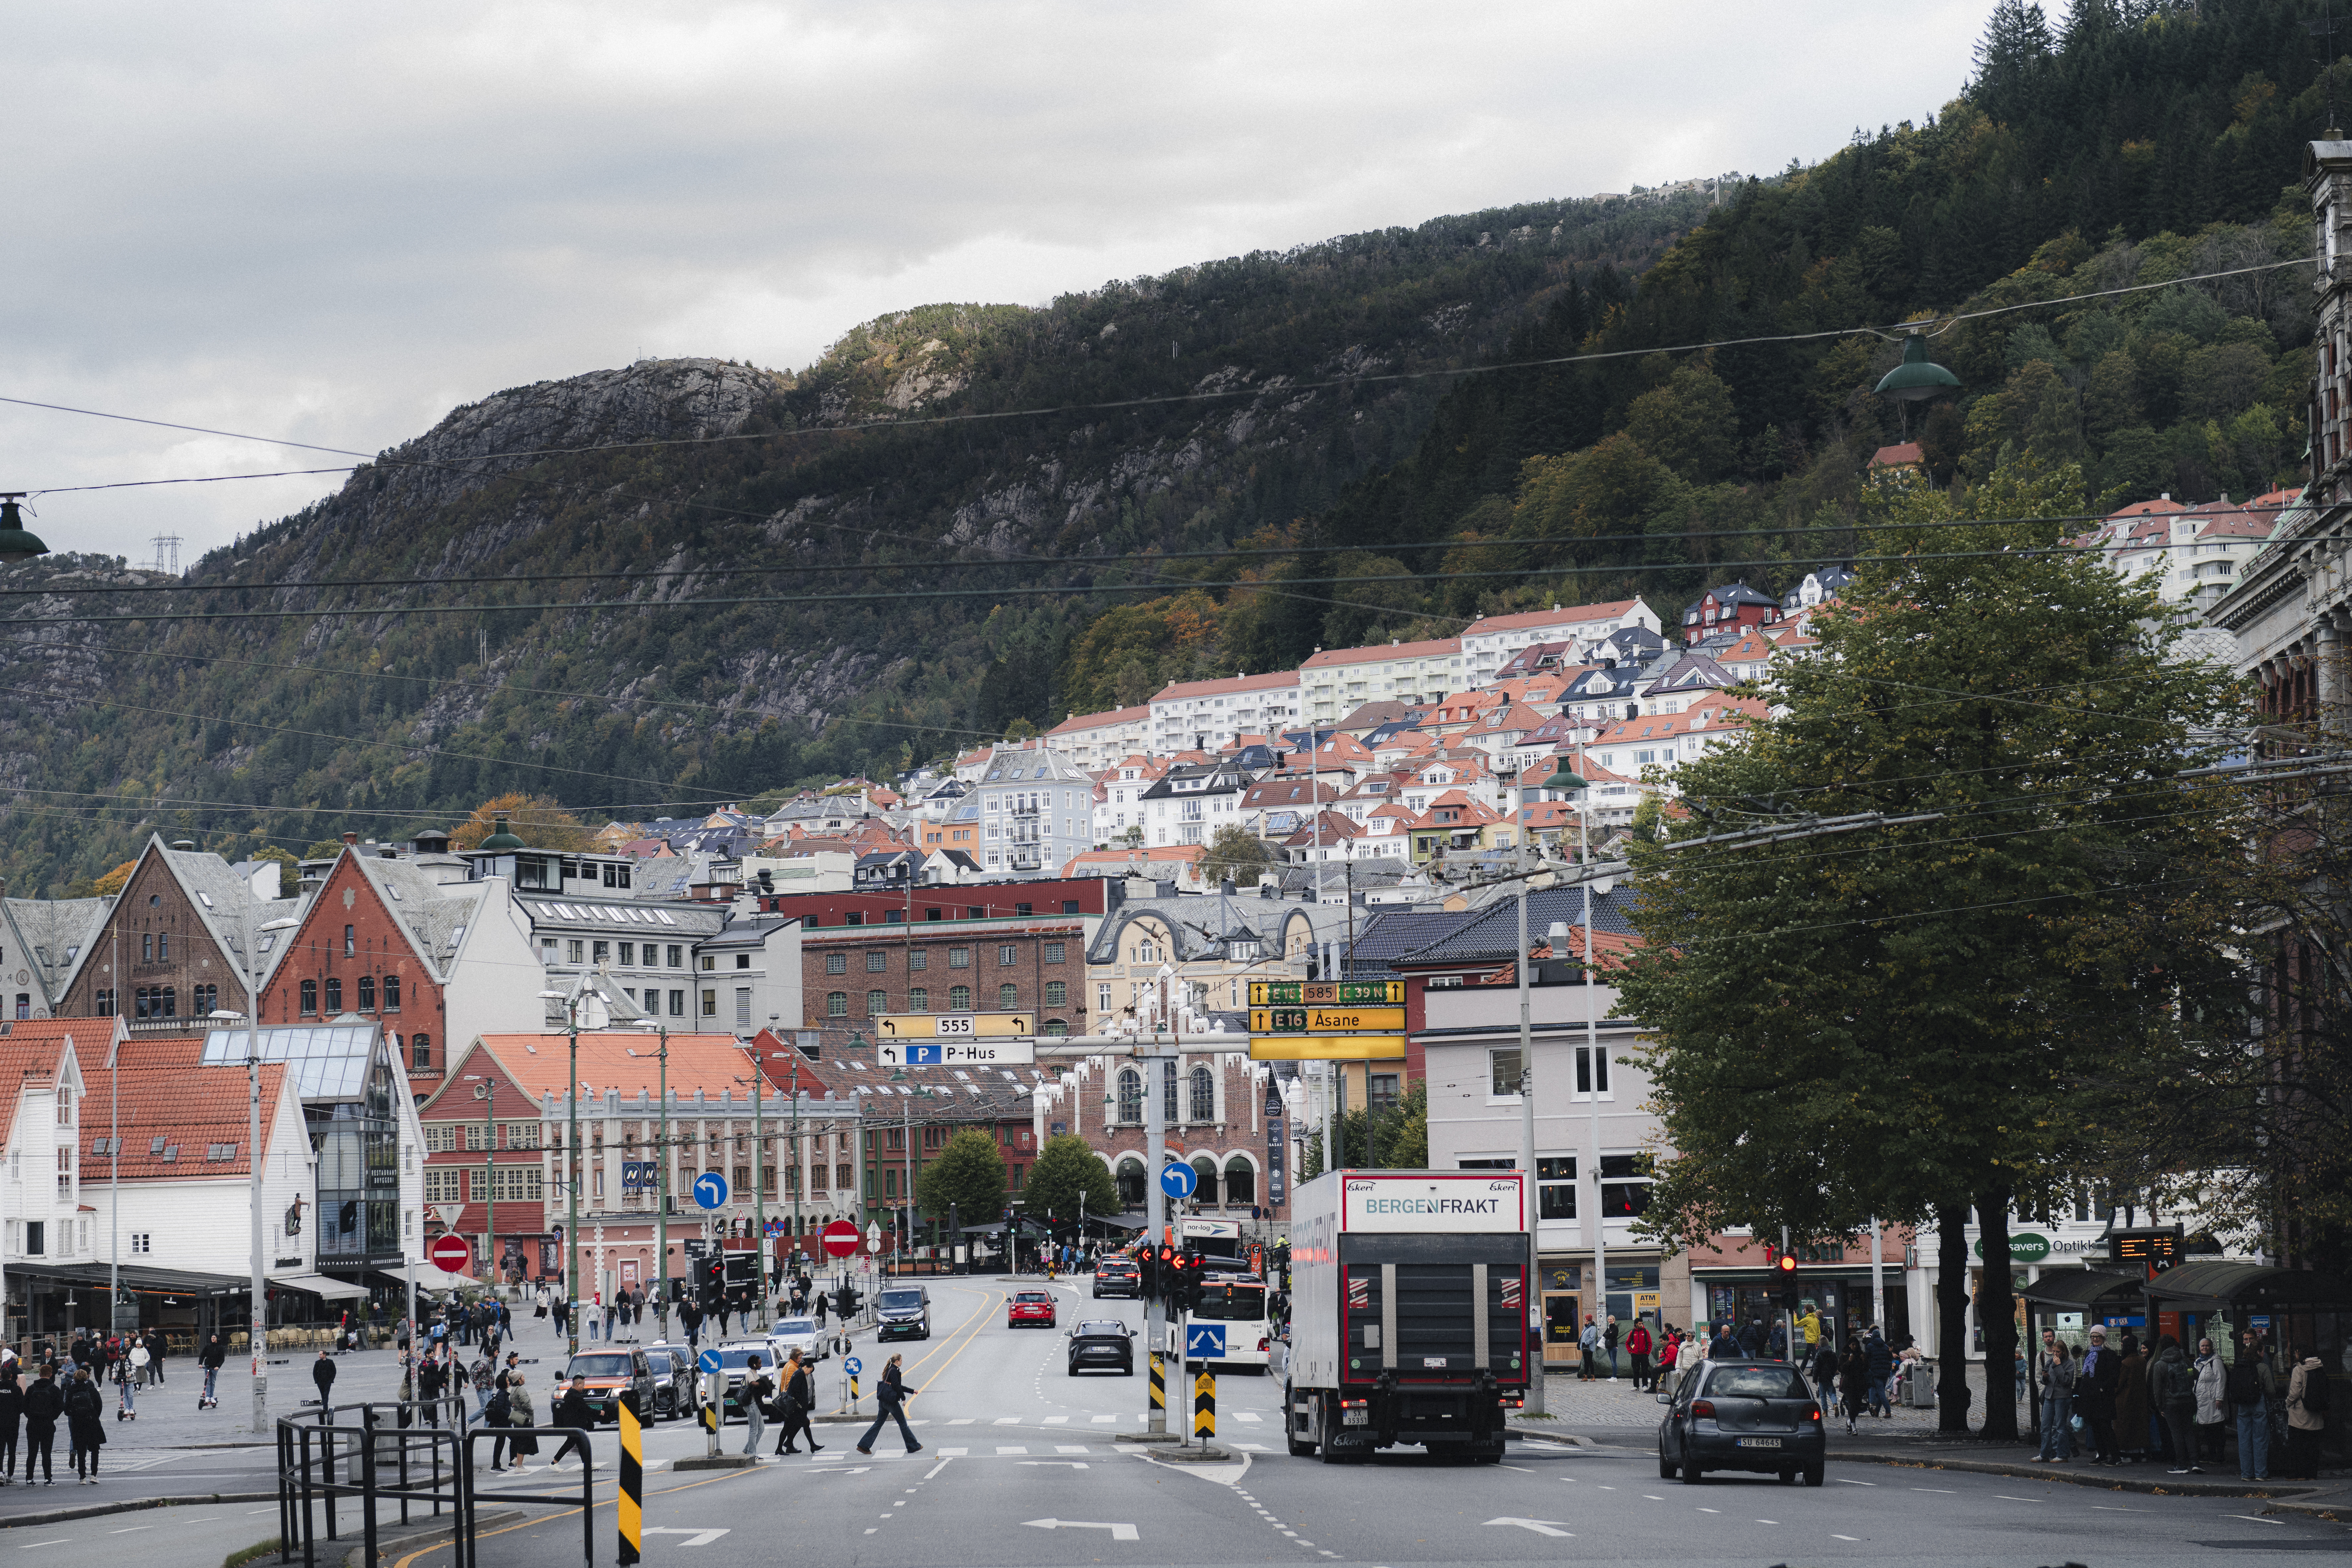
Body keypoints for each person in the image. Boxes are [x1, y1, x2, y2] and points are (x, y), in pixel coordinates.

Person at [855, 1354, 922, 1456]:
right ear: (897, 1361)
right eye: (901, 1360)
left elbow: (896, 1385)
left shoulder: (890, 1369)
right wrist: (903, 1398)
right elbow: (896, 1386)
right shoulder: (894, 1371)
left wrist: (911, 1391)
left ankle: (864, 1446)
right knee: (903, 1424)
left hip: (883, 1401)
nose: (902, 1362)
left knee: (878, 1424)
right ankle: (913, 1446)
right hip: (891, 1402)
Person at [2228, 1329, 2272, 1480]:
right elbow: (2271, 1390)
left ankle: (2246, 1474)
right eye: (2263, 1352)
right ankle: (2261, 1473)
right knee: (2260, 1439)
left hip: (2242, 1406)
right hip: (2258, 1404)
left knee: (2244, 1440)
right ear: (2259, 1352)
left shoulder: (2240, 1365)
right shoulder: (2262, 1368)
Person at [2153, 1334, 2200, 1474]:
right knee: (2189, 1433)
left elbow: (2157, 1390)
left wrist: (2160, 1407)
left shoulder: (2160, 1365)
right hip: (2188, 1401)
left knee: (2177, 1434)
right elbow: (2195, 1375)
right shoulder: (2185, 1360)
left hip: (2170, 1403)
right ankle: (2195, 1463)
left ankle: (2181, 1465)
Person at [2282, 1346, 2327, 1481]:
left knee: (2298, 1447)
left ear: (2299, 1353)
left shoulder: (2299, 1369)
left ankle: (2298, 1475)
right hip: (2315, 1414)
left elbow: (2295, 1392)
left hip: (2300, 1414)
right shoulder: (2319, 1368)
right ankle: (2312, 1475)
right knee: (2313, 1447)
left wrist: (2288, 1403)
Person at [2078, 1326, 2120, 1464]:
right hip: (2090, 1397)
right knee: (2095, 1427)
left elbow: (2114, 1376)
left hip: (2103, 1398)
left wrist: (2102, 1388)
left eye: (2098, 1337)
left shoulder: (2110, 1354)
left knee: (2106, 1428)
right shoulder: (2088, 1353)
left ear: (2104, 1338)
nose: (2095, 1339)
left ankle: (2116, 1457)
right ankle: (2102, 1455)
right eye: (2093, 1337)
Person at [2034, 1331, 2075, 1461]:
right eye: (2054, 1352)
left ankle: (2063, 1455)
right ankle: (2045, 1454)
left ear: (2064, 1352)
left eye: (2058, 1352)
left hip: (2062, 1397)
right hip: (2049, 1396)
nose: (2056, 1354)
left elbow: (2066, 1381)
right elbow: (2044, 1377)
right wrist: (2044, 1378)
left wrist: (2058, 1367)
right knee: (2045, 1426)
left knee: (2060, 1427)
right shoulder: (2051, 1361)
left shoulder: (2069, 1364)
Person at [774, 1350, 822, 1456]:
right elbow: (794, 1390)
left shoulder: (798, 1372)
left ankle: (790, 1445)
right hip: (794, 1407)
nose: (810, 1373)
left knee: (801, 1424)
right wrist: (800, 1405)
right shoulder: (798, 1373)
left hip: (794, 1407)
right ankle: (784, 1447)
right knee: (792, 1426)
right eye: (810, 1371)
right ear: (806, 1368)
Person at [63, 1367, 104, 1485]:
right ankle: (94, 1475)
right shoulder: (91, 1389)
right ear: (86, 1377)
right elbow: (99, 1405)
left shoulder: (71, 1391)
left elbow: (66, 1409)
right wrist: (95, 1416)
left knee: (81, 1451)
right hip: (92, 1422)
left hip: (78, 1424)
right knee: (95, 1450)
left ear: (75, 1378)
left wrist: (75, 1416)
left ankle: (82, 1477)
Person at [2113, 1332, 2149, 1463]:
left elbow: (2120, 1384)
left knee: (2124, 1427)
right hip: (2140, 1398)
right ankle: (2141, 1454)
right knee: (2139, 1427)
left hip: (2126, 1399)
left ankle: (2126, 1454)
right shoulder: (2142, 1361)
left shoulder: (2125, 1363)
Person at [21, 1365, 59, 1487]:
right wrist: (52, 1417)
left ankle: (29, 1479)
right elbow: (60, 1407)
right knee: (46, 1453)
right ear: (51, 1375)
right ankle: (48, 1479)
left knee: (32, 1453)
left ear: (39, 1374)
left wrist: (31, 1416)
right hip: (48, 1425)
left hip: (32, 1424)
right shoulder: (54, 1389)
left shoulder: (31, 1389)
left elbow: (24, 1406)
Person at [2192, 1336, 2227, 1465]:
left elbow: (2221, 1379)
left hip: (2214, 1401)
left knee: (2217, 1428)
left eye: (2207, 1346)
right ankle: (2212, 1455)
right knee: (2207, 1430)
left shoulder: (2216, 1361)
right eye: (2203, 1346)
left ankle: (2219, 1456)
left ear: (2212, 1347)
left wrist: (2219, 1398)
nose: (2205, 1348)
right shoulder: (2197, 1362)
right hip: (2202, 1401)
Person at [549, 1375, 594, 1470]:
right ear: (578, 1384)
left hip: (573, 1423)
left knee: (581, 1444)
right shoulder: (576, 1397)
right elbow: (585, 1409)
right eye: (583, 1385)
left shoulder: (570, 1394)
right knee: (570, 1443)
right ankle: (554, 1463)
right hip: (575, 1424)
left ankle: (587, 1464)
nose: (584, 1387)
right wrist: (599, 1413)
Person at [738, 1354, 772, 1458]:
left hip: (755, 1404)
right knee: (754, 1429)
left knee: (761, 1428)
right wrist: (765, 1381)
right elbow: (754, 1384)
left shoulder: (755, 1374)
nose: (761, 1365)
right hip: (751, 1404)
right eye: (759, 1363)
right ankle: (752, 1454)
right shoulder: (750, 1374)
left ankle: (747, 1450)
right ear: (754, 1364)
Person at [506, 1373, 541, 1471]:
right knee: (524, 1441)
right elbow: (526, 1404)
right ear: (519, 1380)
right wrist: (531, 1411)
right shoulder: (521, 1390)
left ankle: (517, 1460)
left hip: (518, 1419)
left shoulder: (513, 1390)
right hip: (525, 1419)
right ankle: (519, 1467)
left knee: (522, 1441)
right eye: (523, 1377)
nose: (524, 1379)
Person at [1838, 1337, 1871, 1435]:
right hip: (1848, 1384)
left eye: (1856, 1345)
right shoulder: (1844, 1355)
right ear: (1849, 1345)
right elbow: (1841, 1369)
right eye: (1853, 1345)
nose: (1855, 1347)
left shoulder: (1861, 1355)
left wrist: (1865, 1361)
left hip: (1860, 1384)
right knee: (1852, 1404)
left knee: (1857, 1406)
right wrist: (1849, 1361)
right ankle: (1855, 1428)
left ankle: (1849, 1422)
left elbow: (1866, 1369)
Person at [484, 1379, 515, 1471]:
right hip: (503, 1423)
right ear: (502, 1383)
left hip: (503, 1423)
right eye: (506, 1380)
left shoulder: (502, 1393)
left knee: (501, 1443)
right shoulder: (502, 1394)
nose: (508, 1382)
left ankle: (497, 1465)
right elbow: (499, 1409)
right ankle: (511, 1463)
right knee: (514, 1440)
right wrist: (509, 1415)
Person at [1864, 1327, 1895, 1418]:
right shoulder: (1886, 1347)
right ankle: (1877, 1411)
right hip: (1886, 1372)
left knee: (1881, 1392)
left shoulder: (1870, 1346)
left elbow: (1867, 1359)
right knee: (1881, 1391)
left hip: (1876, 1372)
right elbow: (1890, 1359)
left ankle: (1888, 1411)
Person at [0, 1366, 20, 1483]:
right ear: (11, 1376)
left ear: (1, 1376)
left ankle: (0, 1473)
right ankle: (10, 1477)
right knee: (12, 1451)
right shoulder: (16, 1389)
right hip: (13, 1424)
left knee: (1, 1450)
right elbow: (22, 1406)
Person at [198, 1333, 227, 1409]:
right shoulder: (208, 1346)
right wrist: (200, 1364)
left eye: (214, 1338)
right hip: (208, 1366)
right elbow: (202, 1355)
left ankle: (211, 1397)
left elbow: (222, 1359)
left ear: (217, 1339)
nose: (213, 1339)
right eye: (212, 1338)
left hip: (214, 1368)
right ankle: (207, 1397)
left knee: (213, 1382)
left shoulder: (220, 1348)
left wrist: (218, 1367)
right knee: (208, 1382)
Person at [1625, 1320, 1653, 1392]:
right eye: (1639, 1324)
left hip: (1644, 1355)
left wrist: (1648, 1353)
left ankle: (1645, 1385)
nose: (1641, 1325)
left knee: (1645, 1371)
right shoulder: (1633, 1332)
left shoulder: (1646, 1332)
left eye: (1642, 1323)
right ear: (1636, 1324)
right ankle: (1636, 1386)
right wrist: (1630, 1352)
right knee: (1636, 1371)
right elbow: (1628, 1343)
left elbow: (1650, 1343)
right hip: (1635, 1355)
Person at [312, 1348, 338, 1416]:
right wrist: (316, 1381)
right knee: (323, 1395)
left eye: (321, 1355)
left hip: (328, 1382)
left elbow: (334, 1371)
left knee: (326, 1395)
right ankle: (325, 1408)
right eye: (319, 1355)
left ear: (325, 1355)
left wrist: (331, 1380)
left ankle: (325, 1409)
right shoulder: (317, 1363)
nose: (320, 1356)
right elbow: (314, 1372)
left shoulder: (330, 1362)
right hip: (320, 1382)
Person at [1577, 1315, 1600, 1381]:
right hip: (1584, 1347)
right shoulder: (1586, 1327)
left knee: (1590, 1361)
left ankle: (1593, 1376)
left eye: (1586, 1319)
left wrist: (1586, 1343)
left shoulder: (1592, 1328)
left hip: (1589, 1348)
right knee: (1586, 1362)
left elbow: (1592, 1338)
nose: (1585, 1320)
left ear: (1588, 1320)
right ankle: (1585, 1376)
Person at [1602, 1315, 1621, 1380]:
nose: (1610, 1321)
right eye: (1609, 1320)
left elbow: (1612, 1335)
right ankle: (1613, 1376)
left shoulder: (1615, 1327)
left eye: (1611, 1319)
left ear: (1614, 1320)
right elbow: (1604, 1334)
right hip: (1609, 1346)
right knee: (1612, 1362)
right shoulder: (1609, 1327)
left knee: (1614, 1362)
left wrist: (1608, 1335)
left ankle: (1615, 1376)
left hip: (1614, 1346)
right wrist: (1608, 1335)